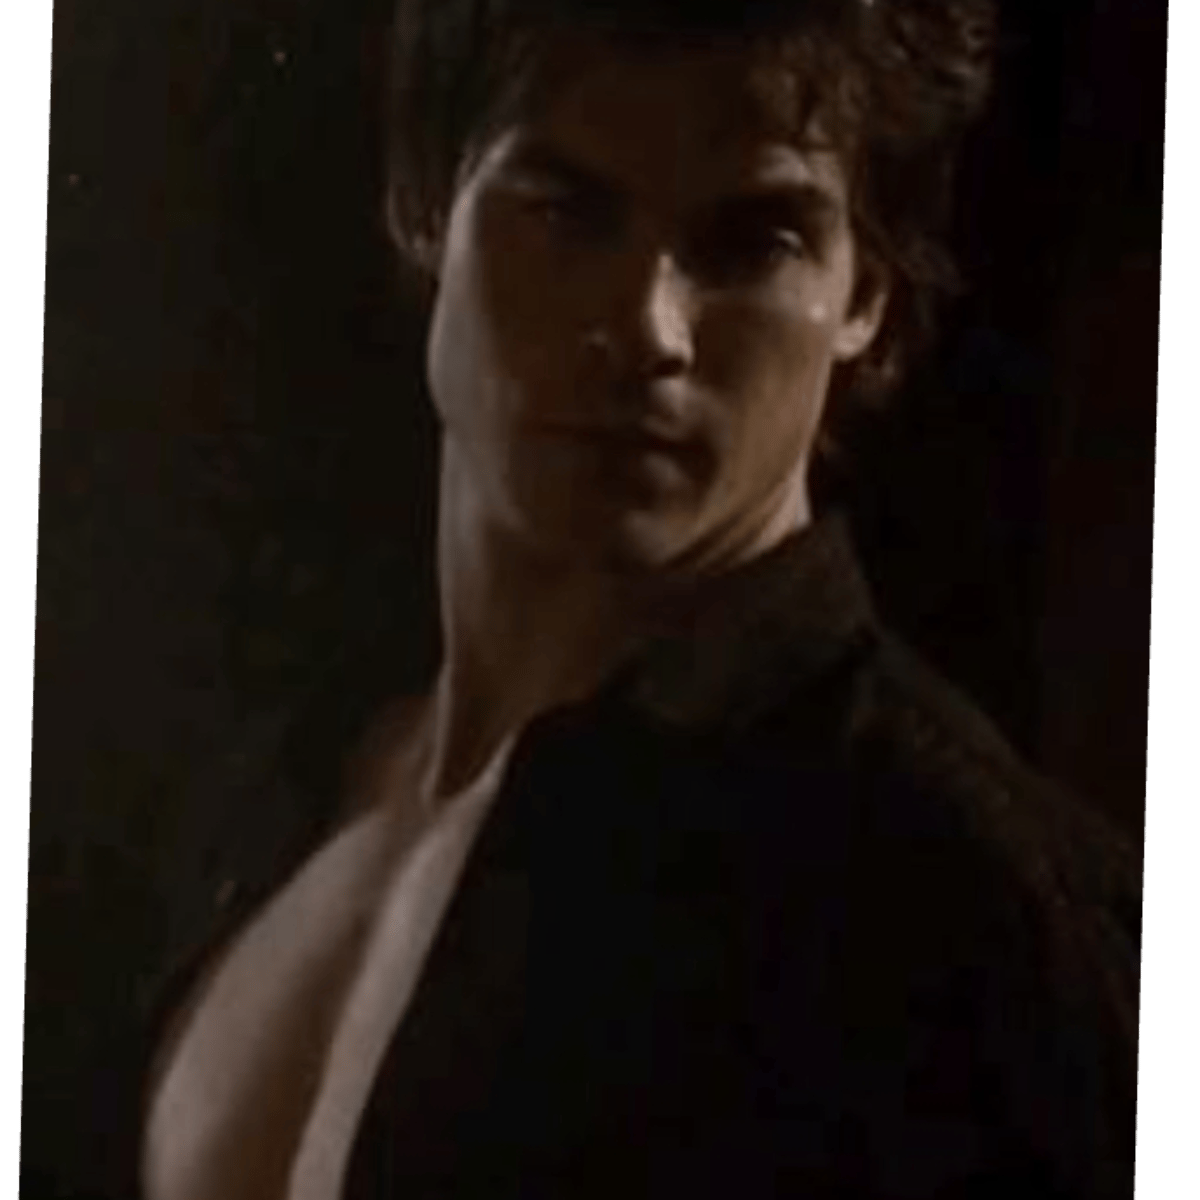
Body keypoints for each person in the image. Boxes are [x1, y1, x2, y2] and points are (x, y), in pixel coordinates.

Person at [139, 1, 1143, 1197]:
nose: (649, 328)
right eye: (567, 212)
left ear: (866, 296)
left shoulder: (983, 921)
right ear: (423, 205)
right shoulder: (269, 798)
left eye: (754, 241)